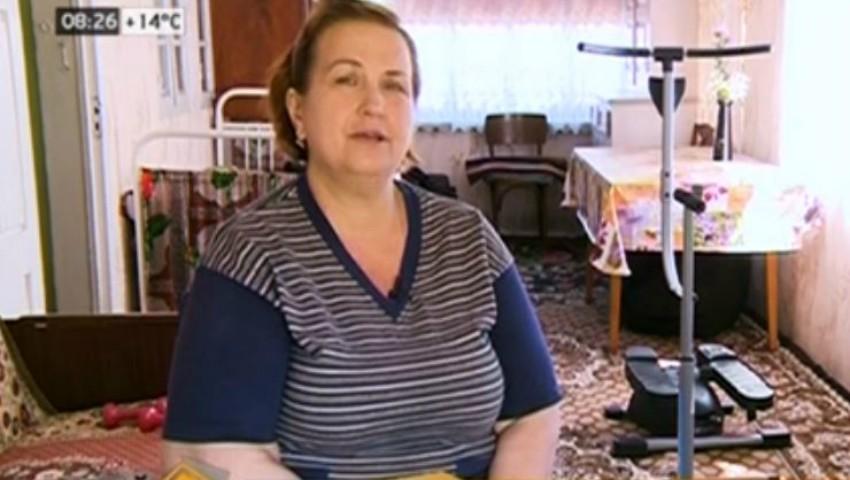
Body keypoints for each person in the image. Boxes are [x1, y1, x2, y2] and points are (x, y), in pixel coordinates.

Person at [162, 1, 562, 478]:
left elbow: (534, 413)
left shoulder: (469, 238)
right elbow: (207, 453)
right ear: (298, 111)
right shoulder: (251, 254)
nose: (374, 104)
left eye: (394, 85)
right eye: (346, 79)